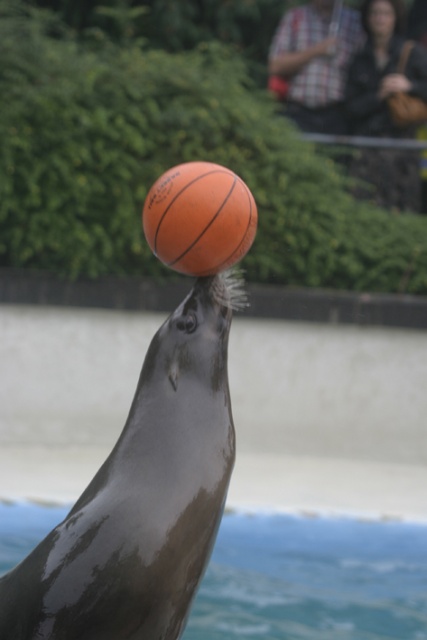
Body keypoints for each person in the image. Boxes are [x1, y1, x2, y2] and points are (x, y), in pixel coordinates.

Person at [345, 0, 427, 212]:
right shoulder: (359, 59)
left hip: (402, 151)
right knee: (363, 211)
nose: (380, 19)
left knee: (403, 212)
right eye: (375, 13)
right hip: (367, 152)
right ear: (367, 18)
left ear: (395, 18)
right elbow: (350, 108)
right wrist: (378, 96)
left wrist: (410, 86)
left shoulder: (412, 52)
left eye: (385, 13)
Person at [268, 0, 364, 134]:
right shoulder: (296, 17)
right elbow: (275, 66)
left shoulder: (355, 21)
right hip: (298, 112)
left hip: (338, 115)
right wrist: (316, 51)